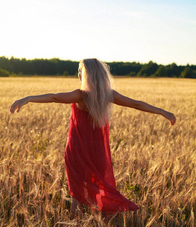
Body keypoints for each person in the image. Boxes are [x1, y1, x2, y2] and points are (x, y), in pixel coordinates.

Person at [10, 58, 176, 218]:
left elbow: (54, 97)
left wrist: (29, 98)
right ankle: (104, 223)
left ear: (86, 76)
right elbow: (137, 104)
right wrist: (163, 112)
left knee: (77, 188)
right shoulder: (109, 95)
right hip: (99, 151)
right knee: (101, 186)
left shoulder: (80, 96)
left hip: (77, 150)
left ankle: (74, 223)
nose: (78, 74)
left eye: (80, 71)